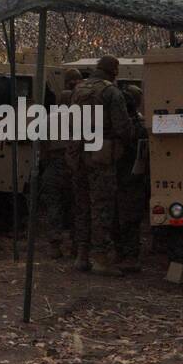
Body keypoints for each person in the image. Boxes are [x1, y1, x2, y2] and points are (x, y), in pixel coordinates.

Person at [68, 56, 134, 276]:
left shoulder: (79, 89)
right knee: (102, 207)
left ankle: (81, 256)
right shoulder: (111, 92)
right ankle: (101, 259)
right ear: (113, 71)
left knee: (82, 205)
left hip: (77, 154)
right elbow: (123, 128)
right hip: (101, 155)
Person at [40, 68, 82, 259]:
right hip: (74, 166)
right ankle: (76, 246)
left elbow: (42, 147)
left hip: (53, 167)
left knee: (54, 207)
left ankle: (55, 246)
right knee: (76, 208)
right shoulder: (80, 120)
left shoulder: (48, 120)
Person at [115, 84, 148, 274]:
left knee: (128, 219)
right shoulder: (138, 124)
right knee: (124, 218)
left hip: (130, 177)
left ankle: (130, 256)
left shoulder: (136, 127)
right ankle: (125, 254)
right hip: (127, 178)